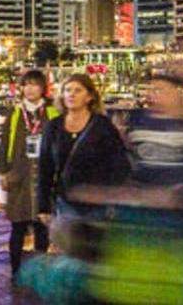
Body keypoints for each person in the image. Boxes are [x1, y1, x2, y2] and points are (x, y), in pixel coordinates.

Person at [36, 72, 129, 229]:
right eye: (67, 90)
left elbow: (120, 165)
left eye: (78, 90)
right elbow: (45, 167)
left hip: (97, 205)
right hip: (65, 202)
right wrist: (43, 206)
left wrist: (110, 197)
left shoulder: (102, 126)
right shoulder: (54, 127)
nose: (71, 94)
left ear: (89, 97)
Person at [0, 68, 58, 275]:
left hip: (44, 176)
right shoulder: (15, 114)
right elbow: (4, 144)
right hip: (19, 176)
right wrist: (3, 171)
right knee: (17, 226)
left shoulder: (52, 113)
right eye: (26, 84)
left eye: (35, 84)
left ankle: (38, 271)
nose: (30, 89)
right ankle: (15, 271)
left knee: (42, 226)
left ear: (43, 88)